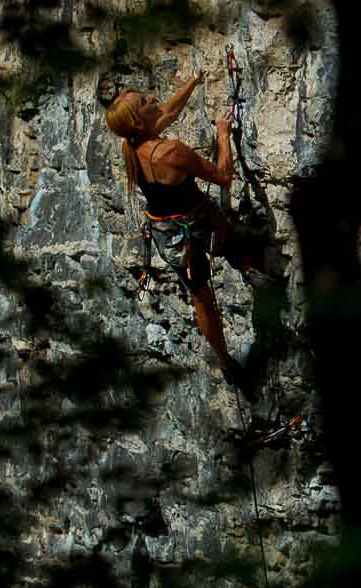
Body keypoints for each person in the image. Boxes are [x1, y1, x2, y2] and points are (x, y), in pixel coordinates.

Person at [105, 71, 269, 390]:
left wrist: (194, 81)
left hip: (166, 235)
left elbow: (170, 111)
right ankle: (253, 273)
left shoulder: (134, 146)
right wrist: (222, 134)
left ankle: (224, 360)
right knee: (226, 243)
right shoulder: (171, 152)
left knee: (201, 296)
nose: (153, 99)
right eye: (144, 101)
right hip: (195, 225)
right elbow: (222, 176)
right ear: (139, 121)